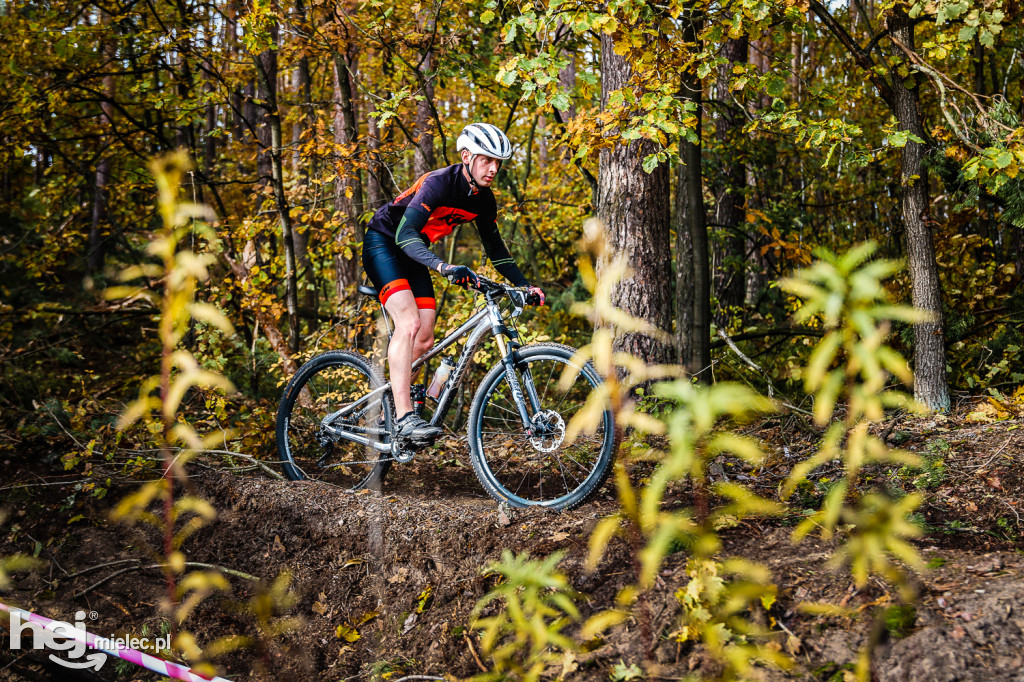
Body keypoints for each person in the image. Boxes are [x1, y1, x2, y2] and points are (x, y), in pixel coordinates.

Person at [362, 122, 545, 449]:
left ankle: (386, 412)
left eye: (498, 163)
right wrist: (443, 266)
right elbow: (405, 234)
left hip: (414, 252)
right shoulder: (438, 184)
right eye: (487, 160)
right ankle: (404, 418)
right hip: (385, 243)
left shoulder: (483, 201)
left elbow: (495, 249)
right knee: (409, 323)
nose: (493, 169)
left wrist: (524, 284)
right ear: (466, 157)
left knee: (425, 338)